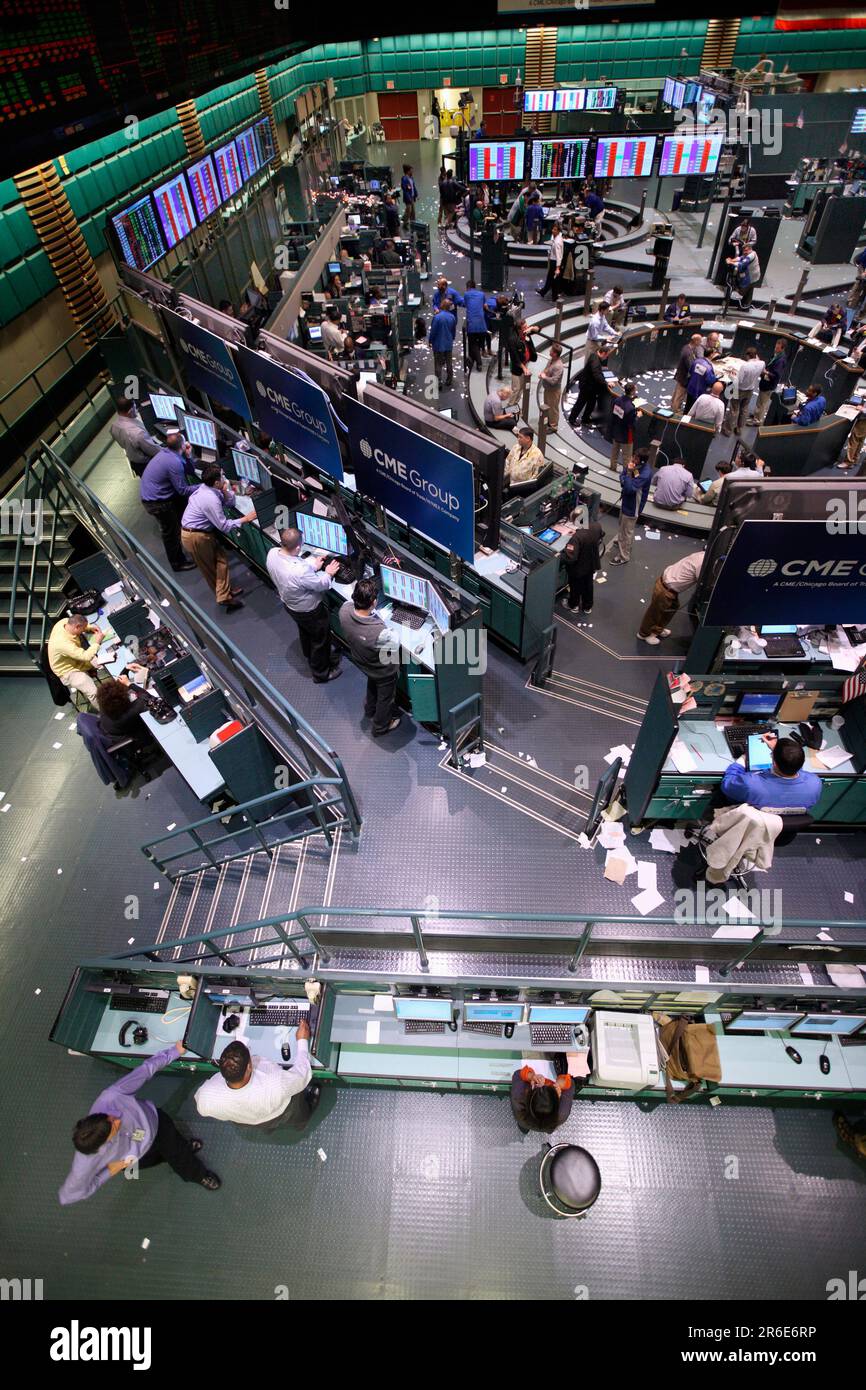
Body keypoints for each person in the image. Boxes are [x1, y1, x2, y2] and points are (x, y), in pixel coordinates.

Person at [59, 1041, 219, 1205]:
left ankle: (198, 1174)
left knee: (179, 1154)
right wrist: (110, 1171)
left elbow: (145, 1070)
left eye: (109, 1117)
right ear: (105, 1142)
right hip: (132, 1158)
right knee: (158, 1159)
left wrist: (175, 1051)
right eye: (114, 1126)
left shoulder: (112, 1097)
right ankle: (173, 1155)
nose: (115, 1118)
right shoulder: (83, 1164)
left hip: (157, 1126)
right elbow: (69, 1195)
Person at [195, 1024, 320, 1129]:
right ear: (249, 1067)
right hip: (280, 1111)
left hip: (246, 1121)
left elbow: (201, 1103)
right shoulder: (275, 1083)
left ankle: (269, 1130)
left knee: (266, 1126)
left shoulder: (206, 1097)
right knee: (296, 1113)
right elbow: (301, 1075)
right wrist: (302, 1041)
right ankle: (302, 1123)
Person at [266, 526, 342, 683]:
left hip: (291, 606)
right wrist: (328, 572)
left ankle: (311, 656)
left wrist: (314, 566)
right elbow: (321, 584)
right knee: (320, 639)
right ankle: (321, 673)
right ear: (299, 547)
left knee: (306, 633)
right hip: (310, 611)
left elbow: (298, 570)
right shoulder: (298, 571)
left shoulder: (273, 553)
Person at [180, 463, 258, 612]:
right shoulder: (210, 499)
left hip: (195, 534)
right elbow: (224, 526)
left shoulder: (209, 489)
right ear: (216, 482)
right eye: (222, 477)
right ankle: (224, 597)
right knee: (214, 564)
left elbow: (229, 503)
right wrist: (245, 519)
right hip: (195, 536)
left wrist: (226, 490)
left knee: (216, 563)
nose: (225, 478)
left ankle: (225, 593)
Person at [339, 576, 402, 737]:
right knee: (386, 698)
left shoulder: (344, 611)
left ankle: (369, 709)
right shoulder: (378, 631)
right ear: (374, 602)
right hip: (383, 670)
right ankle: (381, 726)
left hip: (362, 660)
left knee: (373, 683)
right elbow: (395, 644)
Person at [139, 432, 199, 572]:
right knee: (171, 532)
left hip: (157, 495)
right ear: (183, 445)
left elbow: (189, 471)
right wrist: (203, 486)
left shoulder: (167, 453)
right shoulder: (174, 462)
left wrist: (188, 455)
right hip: (156, 503)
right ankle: (177, 563)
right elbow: (183, 490)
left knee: (179, 514)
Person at [721, 733, 822, 812]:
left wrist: (744, 758)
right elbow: (794, 765)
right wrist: (779, 751)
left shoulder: (751, 784)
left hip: (756, 821)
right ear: (803, 761)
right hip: (783, 826)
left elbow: (727, 784)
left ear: (774, 764)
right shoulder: (815, 783)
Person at [637, 550, 703, 644]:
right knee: (654, 613)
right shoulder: (701, 564)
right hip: (666, 590)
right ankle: (644, 634)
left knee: (672, 607)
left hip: (666, 584)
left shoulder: (700, 555)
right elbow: (702, 582)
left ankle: (657, 630)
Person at [47, 612, 106, 708]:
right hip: (68, 671)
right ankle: (107, 715)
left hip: (75, 659)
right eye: (83, 629)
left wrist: (89, 628)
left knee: (106, 659)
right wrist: (97, 642)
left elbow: (81, 626)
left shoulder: (65, 622)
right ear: (77, 627)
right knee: (93, 692)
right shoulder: (62, 643)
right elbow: (86, 656)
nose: (83, 631)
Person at [95, 673, 158, 757]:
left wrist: (118, 685)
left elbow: (111, 694)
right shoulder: (129, 714)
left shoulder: (104, 705)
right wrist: (129, 684)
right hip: (137, 737)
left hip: (114, 732)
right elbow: (149, 698)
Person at [608, 448, 653, 565]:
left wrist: (628, 473)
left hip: (633, 506)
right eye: (634, 456)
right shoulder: (633, 466)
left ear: (642, 461)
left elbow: (629, 489)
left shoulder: (645, 474)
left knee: (627, 531)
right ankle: (621, 542)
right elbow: (622, 476)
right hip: (626, 501)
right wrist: (626, 476)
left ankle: (624, 556)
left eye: (636, 458)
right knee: (622, 525)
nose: (633, 459)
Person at [510, 1064, 574, 1135]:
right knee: (549, 1129)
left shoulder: (518, 1103)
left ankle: (524, 1130)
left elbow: (517, 1074)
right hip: (550, 1126)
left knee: (523, 1125)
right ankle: (548, 1131)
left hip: (524, 1122)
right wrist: (559, 1085)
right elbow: (571, 1083)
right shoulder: (562, 1114)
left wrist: (531, 1076)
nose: (543, 1083)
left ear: (528, 1098)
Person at [109, 399, 160, 478]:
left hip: (135, 463)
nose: (136, 410)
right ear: (130, 411)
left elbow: (123, 445)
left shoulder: (114, 426)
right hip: (147, 465)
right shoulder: (137, 433)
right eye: (135, 408)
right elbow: (154, 451)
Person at [563, 517, 604, 614]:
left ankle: (573, 605)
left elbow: (570, 558)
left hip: (578, 569)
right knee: (588, 585)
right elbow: (601, 535)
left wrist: (561, 554)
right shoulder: (596, 526)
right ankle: (587, 607)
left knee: (575, 587)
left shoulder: (576, 538)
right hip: (591, 564)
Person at [723, 346, 765, 436]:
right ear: (756, 355)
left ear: (747, 355)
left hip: (739, 390)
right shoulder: (762, 363)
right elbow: (760, 365)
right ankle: (739, 429)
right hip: (750, 390)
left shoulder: (745, 366)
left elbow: (739, 381)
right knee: (744, 409)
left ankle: (728, 430)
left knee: (734, 409)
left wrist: (731, 375)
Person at [568, 345, 610, 428]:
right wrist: (606, 383)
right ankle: (572, 419)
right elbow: (597, 375)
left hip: (590, 386)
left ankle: (585, 419)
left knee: (591, 403)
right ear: (603, 353)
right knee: (581, 403)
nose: (607, 357)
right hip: (587, 387)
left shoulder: (594, 355)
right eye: (607, 355)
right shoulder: (595, 362)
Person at [751, 338, 788, 425]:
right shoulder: (777, 355)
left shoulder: (781, 360)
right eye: (776, 346)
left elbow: (776, 375)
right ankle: (756, 416)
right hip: (765, 383)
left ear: (782, 348)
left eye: (778, 347)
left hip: (769, 385)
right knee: (759, 401)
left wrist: (765, 372)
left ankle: (757, 421)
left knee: (762, 403)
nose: (775, 348)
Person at [505, 317, 537, 410]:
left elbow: (539, 328)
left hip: (524, 364)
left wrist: (532, 328)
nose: (527, 328)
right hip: (516, 366)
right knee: (516, 388)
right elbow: (515, 358)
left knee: (522, 387)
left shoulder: (526, 332)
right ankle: (509, 407)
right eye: (525, 327)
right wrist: (524, 368)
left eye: (527, 326)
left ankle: (515, 404)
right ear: (519, 329)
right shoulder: (512, 339)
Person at [608, 379, 639, 470]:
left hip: (616, 429)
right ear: (632, 391)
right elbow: (631, 423)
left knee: (615, 451)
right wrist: (637, 416)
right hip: (626, 434)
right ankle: (627, 474)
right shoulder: (631, 408)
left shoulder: (617, 400)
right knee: (627, 456)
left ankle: (612, 467)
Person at [464, 280, 495, 371]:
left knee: (473, 344)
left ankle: (479, 363)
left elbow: (466, 304)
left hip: (472, 325)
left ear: (468, 287)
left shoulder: (466, 294)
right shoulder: (481, 294)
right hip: (482, 325)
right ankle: (475, 359)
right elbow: (484, 305)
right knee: (479, 343)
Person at [671, 334, 704, 414]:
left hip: (681, 375)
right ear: (695, 341)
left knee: (676, 394)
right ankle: (676, 412)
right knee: (679, 396)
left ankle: (673, 407)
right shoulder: (688, 352)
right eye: (700, 341)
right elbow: (691, 367)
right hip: (684, 378)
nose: (701, 342)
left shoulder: (687, 347)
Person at [429, 297, 457, 389]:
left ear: (442, 306)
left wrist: (430, 341)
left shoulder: (437, 317)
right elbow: (453, 331)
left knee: (438, 364)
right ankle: (449, 380)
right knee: (449, 362)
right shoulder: (452, 317)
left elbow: (433, 331)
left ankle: (439, 382)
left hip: (438, 344)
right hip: (448, 343)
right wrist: (452, 338)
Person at [538, 341, 565, 432]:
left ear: (555, 354)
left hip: (553, 391)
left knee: (553, 408)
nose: (549, 351)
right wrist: (543, 373)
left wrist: (544, 377)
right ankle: (549, 422)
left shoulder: (558, 366)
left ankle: (553, 427)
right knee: (547, 406)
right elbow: (546, 369)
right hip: (548, 389)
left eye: (551, 350)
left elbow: (554, 381)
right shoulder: (551, 360)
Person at [726, 244, 760, 309]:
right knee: (749, 291)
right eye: (744, 251)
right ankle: (746, 305)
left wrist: (730, 262)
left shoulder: (751, 256)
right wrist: (732, 260)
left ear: (750, 249)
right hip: (751, 276)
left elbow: (741, 264)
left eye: (746, 250)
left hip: (751, 277)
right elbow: (741, 258)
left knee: (742, 291)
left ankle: (745, 306)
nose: (744, 252)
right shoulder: (747, 254)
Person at [539, 220, 564, 299]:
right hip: (554, 261)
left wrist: (557, 268)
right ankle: (551, 294)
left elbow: (559, 256)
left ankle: (550, 294)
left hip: (555, 262)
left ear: (558, 231)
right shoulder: (557, 237)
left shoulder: (557, 242)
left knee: (553, 279)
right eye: (553, 229)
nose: (553, 231)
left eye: (555, 230)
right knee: (552, 279)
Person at [840, 398, 866, 470]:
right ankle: (854, 459)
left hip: (864, 421)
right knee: (860, 440)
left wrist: (862, 409)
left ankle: (848, 462)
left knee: (854, 440)